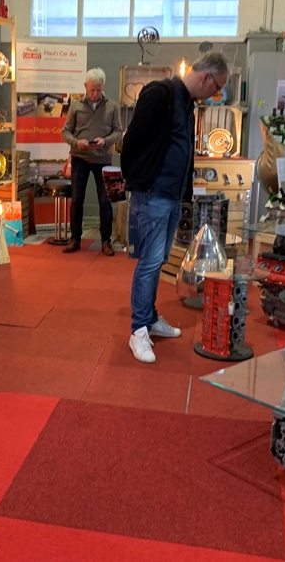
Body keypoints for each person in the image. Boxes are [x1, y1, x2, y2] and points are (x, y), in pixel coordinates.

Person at [120, 53, 229, 363]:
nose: (215, 94)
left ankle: (150, 317)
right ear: (206, 77)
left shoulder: (187, 103)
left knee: (158, 261)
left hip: (171, 195)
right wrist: (136, 180)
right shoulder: (160, 94)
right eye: (217, 88)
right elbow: (132, 141)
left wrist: (185, 194)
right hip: (153, 193)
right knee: (150, 262)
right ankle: (138, 329)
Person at [60, 68, 123, 255]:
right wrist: (76, 142)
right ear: (85, 86)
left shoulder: (112, 107)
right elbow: (65, 132)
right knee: (77, 200)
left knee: (105, 201)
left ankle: (106, 241)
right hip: (80, 157)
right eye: (92, 90)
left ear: (103, 86)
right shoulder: (75, 106)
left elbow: (118, 132)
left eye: (99, 90)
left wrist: (106, 141)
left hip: (104, 159)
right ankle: (75, 239)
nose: (95, 94)